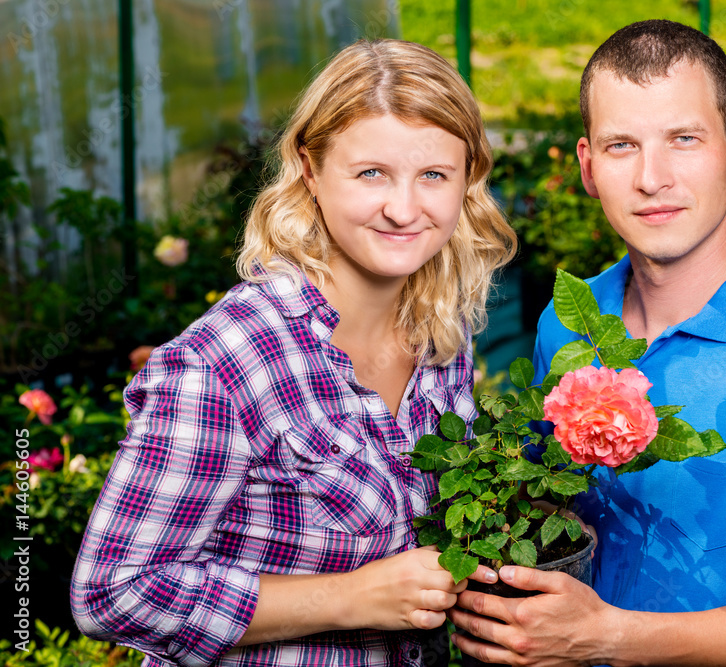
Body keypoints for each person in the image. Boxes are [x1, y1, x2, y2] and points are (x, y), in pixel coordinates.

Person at [449, 19, 726, 667]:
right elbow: (558, 508)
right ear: (587, 166)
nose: (651, 177)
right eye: (621, 145)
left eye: (684, 139)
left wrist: (605, 636)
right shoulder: (569, 321)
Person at [71, 38, 514, 667]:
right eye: (372, 173)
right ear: (309, 167)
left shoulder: (442, 334)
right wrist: (350, 597)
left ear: (468, 177)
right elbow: (113, 592)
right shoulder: (227, 363)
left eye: (434, 175)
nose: (405, 209)